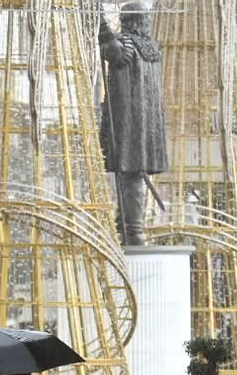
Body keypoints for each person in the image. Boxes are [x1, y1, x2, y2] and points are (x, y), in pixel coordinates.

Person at [98, 1, 168, 246]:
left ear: (128, 20)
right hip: (146, 124)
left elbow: (112, 48)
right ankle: (127, 225)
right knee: (131, 175)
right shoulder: (151, 49)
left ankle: (132, 229)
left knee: (128, 174)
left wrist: (99, 18)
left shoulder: (129, 44)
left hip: (128, 121)